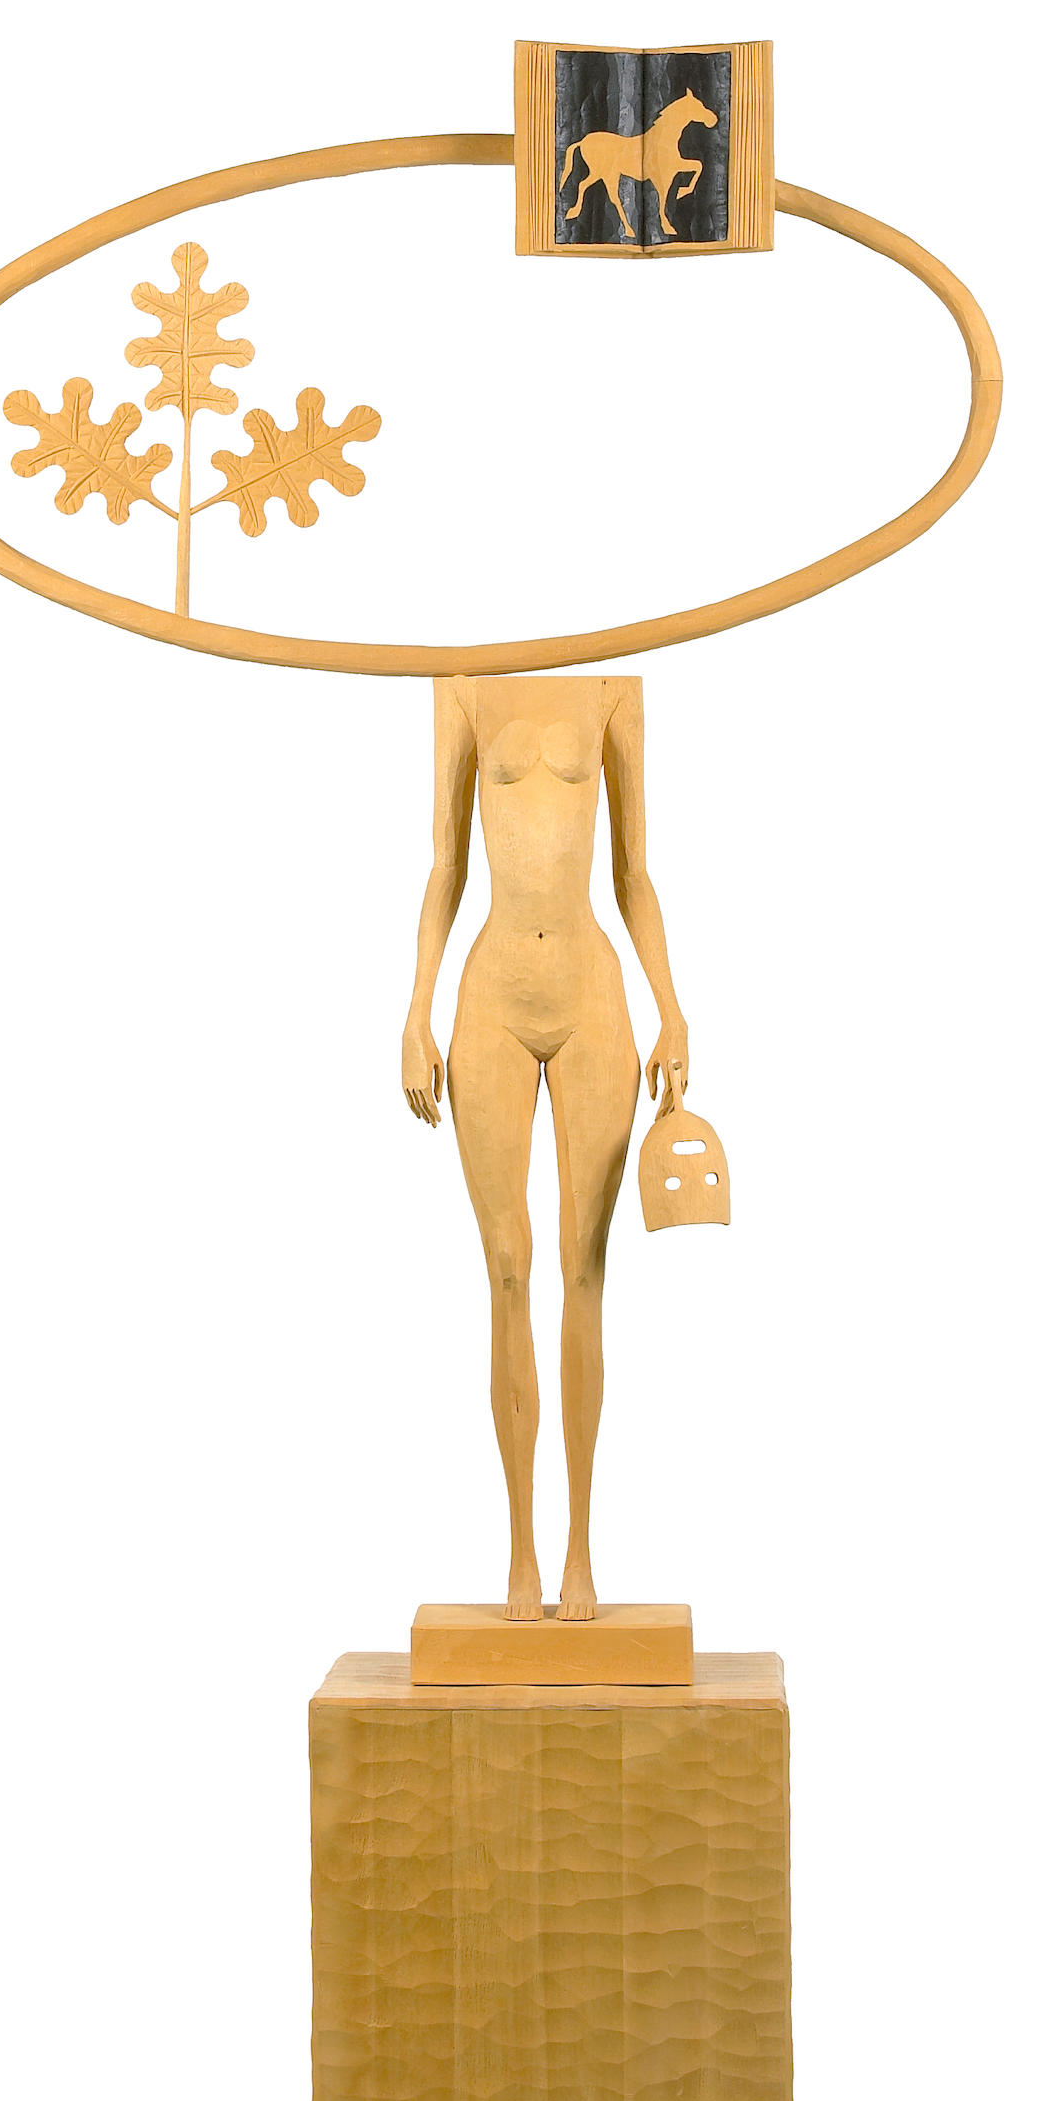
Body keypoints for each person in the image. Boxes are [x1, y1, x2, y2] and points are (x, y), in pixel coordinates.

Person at [402, 674, 688, 1620]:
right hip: (493, 996)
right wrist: (415, 1011)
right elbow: (443, 867)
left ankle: (580, 1548)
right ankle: (521, 1548)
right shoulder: (462, 688)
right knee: (507, 1267)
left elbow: (635, 873)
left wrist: (672, 1009)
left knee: (584, 1267)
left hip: (589, 993)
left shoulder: (612, 686)